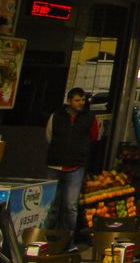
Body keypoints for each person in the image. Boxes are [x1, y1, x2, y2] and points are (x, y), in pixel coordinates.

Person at [45, 87, 100, 239]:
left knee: (70, 206)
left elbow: (94, 138)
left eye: (83, 100)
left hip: (76, 166)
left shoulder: (89, 118)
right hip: (55, 164)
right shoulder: (56, 116)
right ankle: (48, 238)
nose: (81, 103)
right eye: (77, 100)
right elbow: (49, 136)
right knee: (51, 206)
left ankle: (67, 240)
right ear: (69, 101)